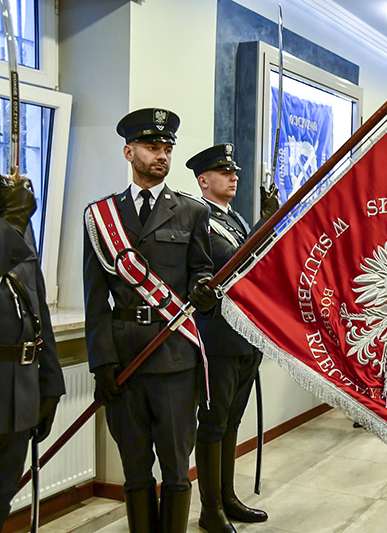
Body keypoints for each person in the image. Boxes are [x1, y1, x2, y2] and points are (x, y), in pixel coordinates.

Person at [84, 108, 216, 532]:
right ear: (129, 152)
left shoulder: (192, 212)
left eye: (167, 148)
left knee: (177, 469)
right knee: (135, 468)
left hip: (175, 357)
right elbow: (94, 299)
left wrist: (204, 289)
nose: (161, 155)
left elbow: (202, 270)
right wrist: (101, 362)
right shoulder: (101, 217)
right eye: (151, 147)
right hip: (125, 361)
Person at [189, 144, 276, 532]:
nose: (234, 177)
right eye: (224, 173)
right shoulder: (199, 219)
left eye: (235, 171)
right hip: (218, 338)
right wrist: (268, 223)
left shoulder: (236, 219)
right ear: (204, 180)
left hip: (244, 337)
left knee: (231, 421)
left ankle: (226, 496)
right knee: (213, 422)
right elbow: (235, 263)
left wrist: (265, 222)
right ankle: (211, 508)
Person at [0, 178, 65, 529]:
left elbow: (37, 308)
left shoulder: (13, 219)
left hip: (18, 389)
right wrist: (10, 222)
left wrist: (50, 383)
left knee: (4, 491)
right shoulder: (10, 221)